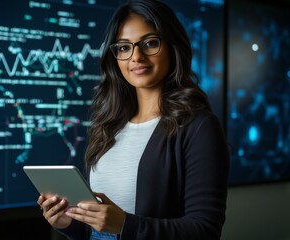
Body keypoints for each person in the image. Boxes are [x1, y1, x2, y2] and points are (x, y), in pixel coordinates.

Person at [37, 0, 230, 239]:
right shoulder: (108, 125)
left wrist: (125, 225)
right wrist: (68, 222)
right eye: (124, 47)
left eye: (150, 43)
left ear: (172, 47)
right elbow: (100, 230)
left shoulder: (199, 127)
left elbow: (205, 230)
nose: (136, 57)